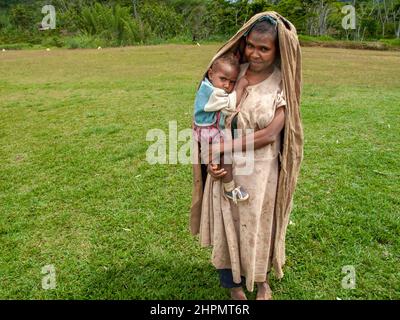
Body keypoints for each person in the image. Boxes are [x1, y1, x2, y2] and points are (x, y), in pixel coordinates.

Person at [190, 12, 304, 300]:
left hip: (262, 173)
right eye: (251, 45)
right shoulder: (229, 74)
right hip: (227, 170)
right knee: (229, 225)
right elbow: (206, 119)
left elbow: (269, 134)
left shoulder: (282, 83)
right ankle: (234, 286)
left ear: (277, 51)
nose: (255, 53)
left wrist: (222, 149)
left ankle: (261, 280)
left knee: (259, 223)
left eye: (264, 48)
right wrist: (211, 161)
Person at [193, 52, 250, 203]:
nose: (226, 85)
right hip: (209, 131)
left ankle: (214, 166)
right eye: (223, 79)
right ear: (211, 74)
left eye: (231, 82)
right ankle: (230, 189)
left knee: (217, 156)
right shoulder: (210, 91)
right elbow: (230, 105)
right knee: (226, 154)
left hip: (208, 130)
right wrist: (240, 86)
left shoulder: (209, 86)